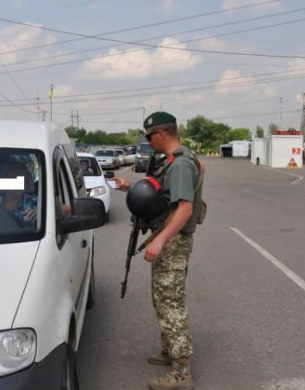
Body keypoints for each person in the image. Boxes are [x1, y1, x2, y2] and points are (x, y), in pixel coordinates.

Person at [112, 111, 201, 390]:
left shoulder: (182, 164)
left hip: (172, 240)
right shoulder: (171, 162)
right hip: (167, 237)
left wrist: (160, 240)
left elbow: (184, 209)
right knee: (161, 299)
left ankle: (181, 373)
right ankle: (168, 350)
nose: (148, 142)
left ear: (161, 134)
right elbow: (162, 196)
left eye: (150, 136)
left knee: (171, 304)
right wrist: (131, 186)